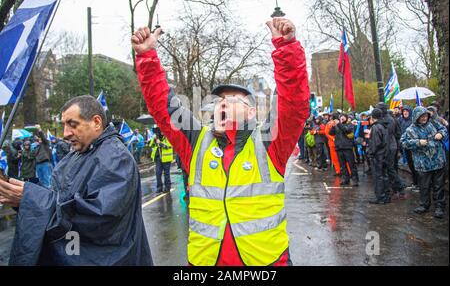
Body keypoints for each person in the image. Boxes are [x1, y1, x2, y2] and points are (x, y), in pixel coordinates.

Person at [132, 17, 310, 266]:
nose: (223, 102)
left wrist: (286, 48)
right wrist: (147, 56)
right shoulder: (196, 141)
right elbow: (163, 106)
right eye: (218, 101)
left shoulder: (269, 142)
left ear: (251, 112)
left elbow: (294, 102)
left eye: (234, 98)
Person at [0, 95, 152, 265]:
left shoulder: (115, 157)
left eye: (73, 124)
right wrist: (24, 198)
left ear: (96, 122)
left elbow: (98, 217)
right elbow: (59, 196)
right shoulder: (79, 154)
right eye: (64, 125)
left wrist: (35, 200)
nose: (65, 133)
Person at [400, 106, 447, 219]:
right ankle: (424, 205)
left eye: (426, 116)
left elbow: (444, 129)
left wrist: (441, 134)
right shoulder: (410, 129)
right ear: (416, 117)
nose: (424, 118)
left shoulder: (434, 123)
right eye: (422, 116)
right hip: (423, 164)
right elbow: (403, 142)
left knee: (438, 186)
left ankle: (439, 207)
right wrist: (417, 142)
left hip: (438, 161)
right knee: (424, 186)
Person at [376, 102, 404, 201]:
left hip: (389, 146)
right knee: (389, 168)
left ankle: (399, 187)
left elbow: (389, 135)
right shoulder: (386, 118)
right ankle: (395, 188)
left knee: (390, 169)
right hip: (390, 145)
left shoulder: (389, 119)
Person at [329, 113, 359, 186]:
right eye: (340, 117)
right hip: (339, 148)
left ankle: (355, 179)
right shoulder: (337, 126)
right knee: (342, 165)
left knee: (351, 164)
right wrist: (333, 126)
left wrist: (339, 124)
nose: (342, 118)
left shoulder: (350, 125)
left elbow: (346, 130)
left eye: (343, 117)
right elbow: (331, 133)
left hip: (347, 148)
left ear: (346, 118)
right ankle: (346, 178)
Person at [367, 108, 389, 204]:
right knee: (384, 175)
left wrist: (370, 153)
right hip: (384, 154)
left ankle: (380, 197)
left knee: (378, 176)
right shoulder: (384, 125)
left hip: (378, 155)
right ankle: (386, 195)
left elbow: (375, 143)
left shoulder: (376, 127)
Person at [149, 127, 174, 193]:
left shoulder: (168, 136)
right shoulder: (156, 136)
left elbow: (169, 146)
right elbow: (151, 145)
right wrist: (154, 140)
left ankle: (167, 187)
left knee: (166, 174)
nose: (161, 132)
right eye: (160, 131)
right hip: (158, 158)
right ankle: (159, 187)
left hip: (166, 159)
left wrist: (160, 143)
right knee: (158, 173)